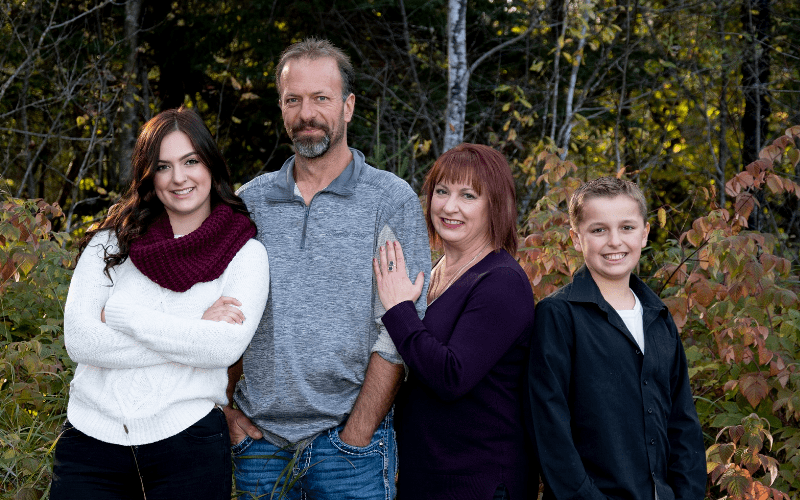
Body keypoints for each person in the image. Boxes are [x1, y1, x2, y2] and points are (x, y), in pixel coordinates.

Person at [224, 38, 430, 499]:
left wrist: (357, 433)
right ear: (280, 107)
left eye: (321, 98)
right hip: (257, 446)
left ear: (348, 106)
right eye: (293, 100)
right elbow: (220, 313)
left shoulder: (389, 201)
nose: (306, 113)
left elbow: (398, 327)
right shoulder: (250, 202)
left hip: (350, 448)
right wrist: (224, 411)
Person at [49, 107, 270, 500]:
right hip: (89, 446)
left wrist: (119, 315)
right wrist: (194, 323)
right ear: (149, 175)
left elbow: (221, 347)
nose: (179, 178)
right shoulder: (111, 244)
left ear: (211, 165)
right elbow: (81, 341)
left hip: (189, 445)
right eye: (164, 166)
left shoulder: (245, 253)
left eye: (191, 161)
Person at [372, 143, 536, 500]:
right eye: (442, 191)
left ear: (495, 204)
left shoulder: (501, 281)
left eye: (468, 195)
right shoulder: (434, 274)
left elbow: (451, 376)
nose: (449, 206)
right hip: (429, 473)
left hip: (478, 480)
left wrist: (399, 309)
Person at [527, 177, 707, 500]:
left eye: (626, 227)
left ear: (645, 233)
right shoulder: (558, 316)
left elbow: (684, 429)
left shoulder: (659, 319)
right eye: (598, 230)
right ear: (576, 238)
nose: (614, 241)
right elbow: (551, 434)